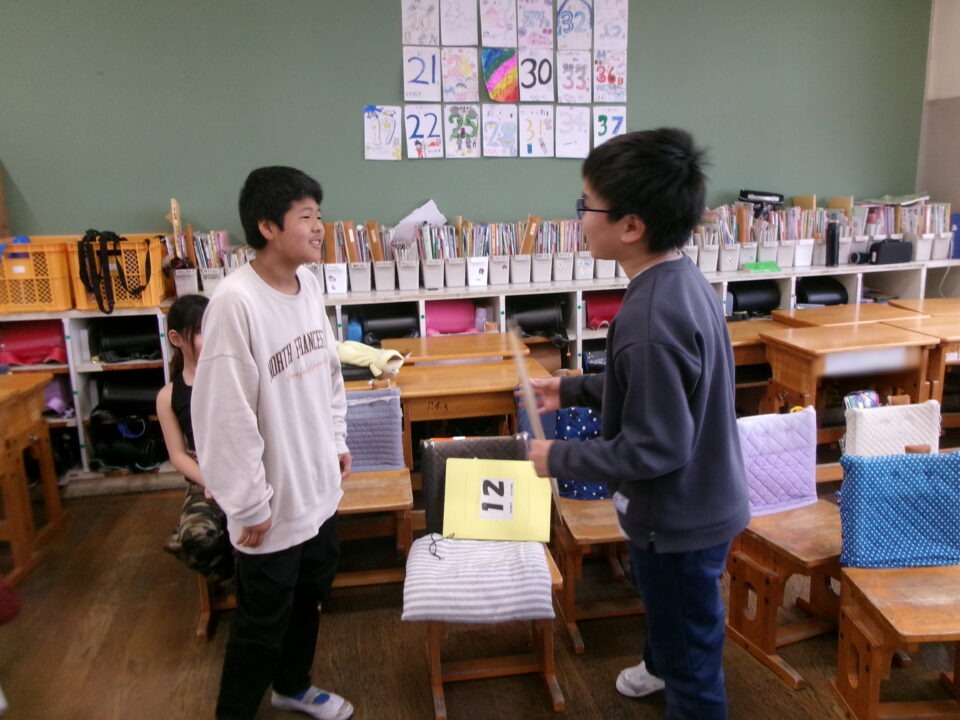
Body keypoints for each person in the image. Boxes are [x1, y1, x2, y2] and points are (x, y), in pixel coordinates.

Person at [526, 128, 749, 720]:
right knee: (673, 614)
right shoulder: (681, 279)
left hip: (677, 519)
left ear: (630, 226)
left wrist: (558, 458)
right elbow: (661, 392)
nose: (579, 218)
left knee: (692, 657)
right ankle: (659, 663)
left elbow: (655, 447)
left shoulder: (649, 318)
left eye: (586, 206)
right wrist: (572, 387)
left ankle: (680, 683)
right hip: (703, 499)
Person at [192, 166, 353, 720]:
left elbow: (328, 373)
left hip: (318, 489)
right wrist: (248, 503)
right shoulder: (235, 303)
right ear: (267, 226)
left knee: (309, 599)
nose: (319, 227)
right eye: (306, 216)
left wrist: (336, 438)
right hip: (270, 504)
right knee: (261, 622)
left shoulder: (309, 286)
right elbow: (223, 415)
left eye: (319, 215)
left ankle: (293, 686)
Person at [157, 293, 234, 584]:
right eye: (201, 331)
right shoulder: (168, 396)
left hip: (249, 470)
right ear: (176, 339)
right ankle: (237, 584)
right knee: (198, 537)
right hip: (205, 479)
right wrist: (211, 482)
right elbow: (178, 455)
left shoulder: (235, 376)